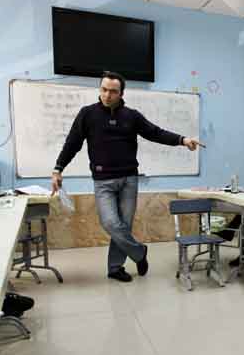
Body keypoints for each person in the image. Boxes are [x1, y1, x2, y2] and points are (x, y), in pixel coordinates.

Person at [52, 71, 201, 282]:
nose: (107, 95)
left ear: (122, 93)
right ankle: (139, 252)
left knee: (124, 224)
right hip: (103, 181)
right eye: (104, 90)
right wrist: (58, 169)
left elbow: (155, 132)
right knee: (111, 223)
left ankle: (115, 268)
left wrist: (182, 140)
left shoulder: (131, 116)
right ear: (100, 89)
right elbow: (72, 144)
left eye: (113, 91)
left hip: (129, 180)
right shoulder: (87, 114)